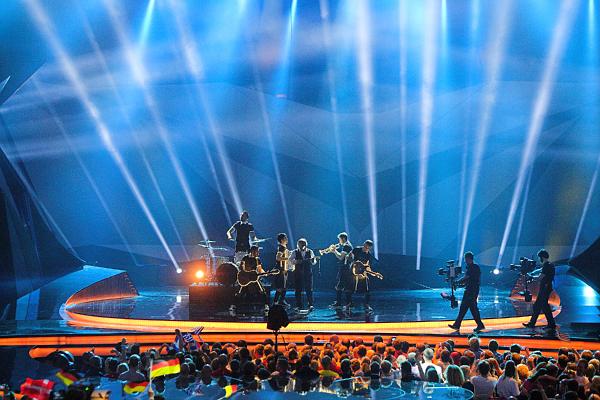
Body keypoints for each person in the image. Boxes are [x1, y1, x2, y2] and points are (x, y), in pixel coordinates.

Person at [448, 251, 485, 332]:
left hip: (471, 291)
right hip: (471, 290)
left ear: (468, 258)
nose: (465, 261)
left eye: (465, 259)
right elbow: (467, 279)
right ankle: (478, 325)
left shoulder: (473, 267)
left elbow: (466, 277)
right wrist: (459, 283)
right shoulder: (472, 267)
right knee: (469, 308)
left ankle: (458, 325)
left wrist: (457, 282)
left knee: (466, 308)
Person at [523, 249, 556, 332]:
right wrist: (532, 273)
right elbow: (540, 270)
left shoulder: (547, 266)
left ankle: (551, 325)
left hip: (545, 288)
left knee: (543, 307)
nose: (538, 259)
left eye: (539, 257)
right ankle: (533, 323)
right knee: (538, 306)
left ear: (542, 257)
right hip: (545, 288)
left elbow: (540, 277)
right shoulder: (548, 265)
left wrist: (531, 277)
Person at [230, 246, 268, 316]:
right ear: (253, 251)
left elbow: (260, 269)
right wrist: (247, 274)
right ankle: (233, 306)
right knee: (240, 293)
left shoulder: (257, 260)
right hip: (245, 279)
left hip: (254, 279)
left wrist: (265, 273)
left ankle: (266, 306)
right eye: (257, 251)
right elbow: (241, 267)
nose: (258, 253)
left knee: (262, 291)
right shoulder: (245, 258)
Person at [346, 240, 378, 312]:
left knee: (367, 289)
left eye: (368, 248)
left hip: (362, 272)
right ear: (364, 244)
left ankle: (366, 305)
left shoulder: (368, 255)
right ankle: (349, 304)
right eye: (365, 247)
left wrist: (373, 273)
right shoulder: (356, 249)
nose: (366, 249)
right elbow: (348, 256)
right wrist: (353, 262)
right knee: (350, 289)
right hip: (353, 270)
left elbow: (367, 266)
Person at [289, 238, 318, 311]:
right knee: (298, 289)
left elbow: (314, 262)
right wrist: (296, 261)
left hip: (308, 273)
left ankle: (310, 304)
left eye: (303, 244)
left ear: (306, 245)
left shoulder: (310, 251)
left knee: (309, 289)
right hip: (298, 273)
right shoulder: (294, 252)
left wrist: (312, 261)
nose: (302, 246)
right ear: (298, 245)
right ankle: (298, 305)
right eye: (300, 244)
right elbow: (290, 260)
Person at [326, 232, 353, 309]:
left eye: (339, 239)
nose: (339, 241)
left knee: (340, 286)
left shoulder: (346, 246)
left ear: (343, 238)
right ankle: (347, 303)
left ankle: (340, 303)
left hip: (345, 268)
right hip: (345, 268)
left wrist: (334, 251)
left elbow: (341, 257)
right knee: (344, 286)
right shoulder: (347, 245)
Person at [273, 233, 291, 307]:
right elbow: (278, 258)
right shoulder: (282, 248)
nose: (287, 239)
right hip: (281, 270)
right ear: (282, 240)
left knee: (284, 286)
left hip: (284, 269)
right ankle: (276, 301)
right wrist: (288, 258)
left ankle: (280, 301)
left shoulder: (284, 247)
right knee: (281, 287)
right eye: (285, 238)